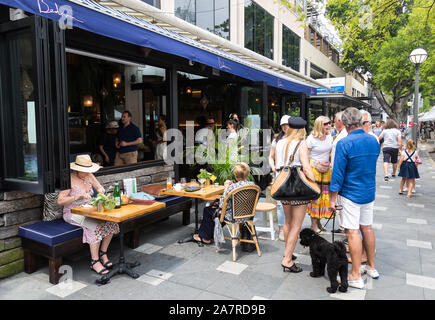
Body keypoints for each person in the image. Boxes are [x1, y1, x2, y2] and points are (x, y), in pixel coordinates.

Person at [329, 107, 380, 289]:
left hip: (350, 192)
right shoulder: (373, 141)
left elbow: (338, 173)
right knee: (367, 228)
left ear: (344, 122)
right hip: (369, 190)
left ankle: (356, 274)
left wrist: (332, 198)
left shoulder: (344, 142)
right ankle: (371, 267)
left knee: (352, 232)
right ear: (360, 120)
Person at [57, 154, 119, 275]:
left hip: (89, 209)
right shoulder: (69, 179)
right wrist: (78, 196)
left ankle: (103, 253)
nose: (87, 173)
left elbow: (99, 187)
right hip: (73, 212)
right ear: (77, 169)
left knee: (112, 222)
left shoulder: (89, 176)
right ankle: (94, 262)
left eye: (88, 171)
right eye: (84, 171)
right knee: (94, 226)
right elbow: (60, 201)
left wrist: (101, 190)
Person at [275, 116, 315, 273]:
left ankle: (288, 252)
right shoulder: (301, 143)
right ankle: (287, 259)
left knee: (287, 222)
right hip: (298, 188)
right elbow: (306, 168)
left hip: (283, 186)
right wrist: (314, 184)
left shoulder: (280, 143)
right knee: (296, 225)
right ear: (302, 130)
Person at [192, 162, 254, 244]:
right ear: (248, 174)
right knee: (213, 212)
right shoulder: (252, 185)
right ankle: (208, 234)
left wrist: (226, 188)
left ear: (235, 175)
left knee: (208, 210)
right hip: (247, 215)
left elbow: (222, 204)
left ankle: (206, 237)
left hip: (232, 216)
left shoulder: (232, 187)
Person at [306, 116, 333, 233]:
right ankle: (313, 225)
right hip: (314, 170)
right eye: (326, 124)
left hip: (326, 170)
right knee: (315, 198)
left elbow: (331, 154)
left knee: (324, 198)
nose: (329, 125)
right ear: (319, 125)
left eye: (330, 123)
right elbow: (306, 157)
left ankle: (319, 222)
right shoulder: (311, 139)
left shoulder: (330, 138)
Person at [268, 115, 290, 241]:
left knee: (292, 202)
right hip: (280, 173)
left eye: (287, 124)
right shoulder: (277, 139)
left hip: (293, 173)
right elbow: (271, 156)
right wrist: (273, 167)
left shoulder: (296, 138)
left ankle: (290, 228)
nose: (285, 127)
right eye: (283, 125)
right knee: (281, 203)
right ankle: (282, 229)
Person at [330, 111, 347, 235]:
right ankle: (342, 226)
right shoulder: (341, 134)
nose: (333, 123)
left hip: (340, 173)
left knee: (342, 203)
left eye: (334, 121)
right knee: (340, 204)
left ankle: (346, 228)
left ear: (340, 121)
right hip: (338, 171)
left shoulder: (345, 135)